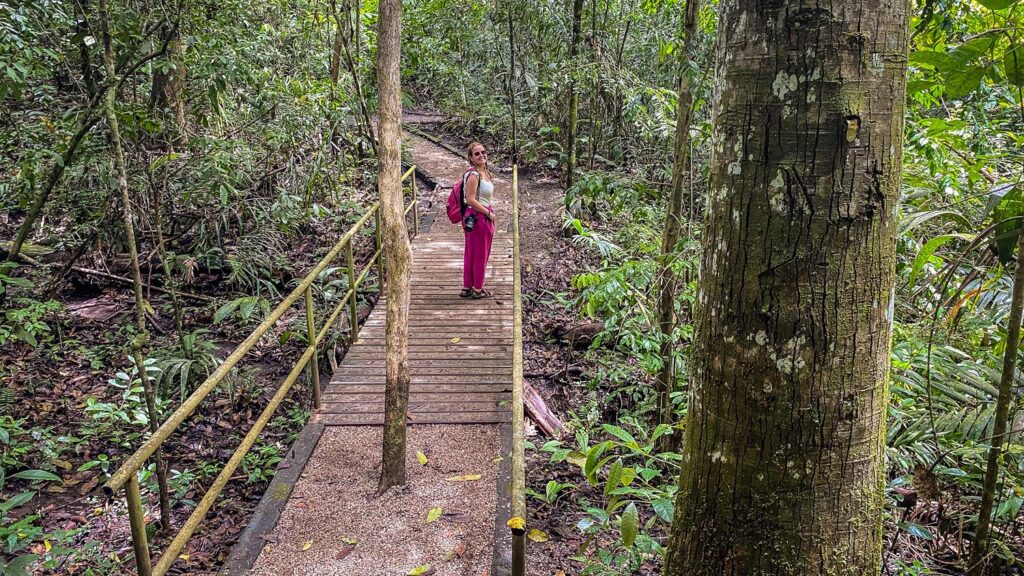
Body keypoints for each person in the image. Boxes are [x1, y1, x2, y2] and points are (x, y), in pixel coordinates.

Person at [460, 141, 496, 299]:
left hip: (474, 217)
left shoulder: (484, 173)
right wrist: (488, 213)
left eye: (483, 152)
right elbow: (470, 199)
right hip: (478, 217)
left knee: (472, 252)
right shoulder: (474, 175)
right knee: (480, 253)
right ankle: (478, 289)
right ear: (470, 158)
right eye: (477, 154)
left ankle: (467, 287)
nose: (481, 155)